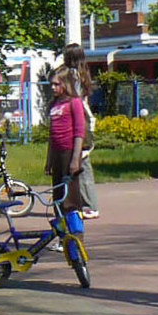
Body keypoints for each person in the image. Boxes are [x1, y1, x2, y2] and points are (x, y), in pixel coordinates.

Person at [61, 43, 100, 218]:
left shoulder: (73, 76)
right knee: (82, 164)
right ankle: (83, 202)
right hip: (86, 118)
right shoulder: (83, 74)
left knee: (82, 165)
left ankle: (90, 204)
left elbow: (74, 99)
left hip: (81, 119)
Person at [45, 68, 88, 214]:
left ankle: (75, 232)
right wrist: (49, 160)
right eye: (51, 84)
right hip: (56, 152)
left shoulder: (74, 102)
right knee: (58, 195)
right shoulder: (54, 104)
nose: (53, 87)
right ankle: (62, 231)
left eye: (57, 84)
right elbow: (52, 135)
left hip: (69, 153)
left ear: (66, 84)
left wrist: (75, 159)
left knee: (70, 197)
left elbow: (79, 132)